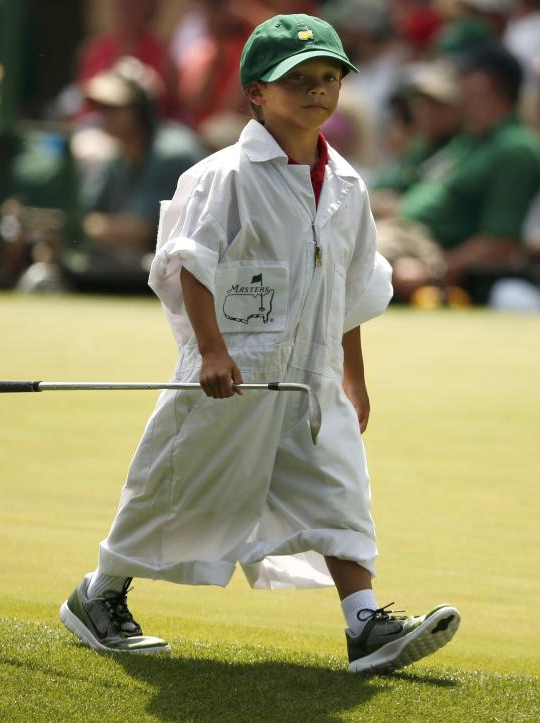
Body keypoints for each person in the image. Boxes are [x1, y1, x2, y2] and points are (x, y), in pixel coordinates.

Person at [58, 14, 461, 674]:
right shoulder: (226, 175)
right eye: (296, 80)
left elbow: (351, 290)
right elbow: (189, 262)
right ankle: (98, 594)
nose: (316, 91)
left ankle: (365, 625)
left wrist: (354, 377)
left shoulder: (350, 186)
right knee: (177, 485)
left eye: (328, 78)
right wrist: (213, 351)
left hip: (312, 377)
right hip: (234, 372)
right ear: (255, 92)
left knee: (339, 491)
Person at [376, 45, 540, 303]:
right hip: (399, 235)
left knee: (345, 251)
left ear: (484, 83)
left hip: (421, 248)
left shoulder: (515, 148)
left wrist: (433, 271)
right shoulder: (468, 140)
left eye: (463, 75)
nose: (456, 85)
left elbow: (500, 243)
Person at [65, 57, 207, 293]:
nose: (104, 115)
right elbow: (90, 211)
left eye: (113, 107)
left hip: (185, 277)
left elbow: (138, 232)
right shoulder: (118, 155)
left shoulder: (170, 153)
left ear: (141, 110)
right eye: (101, 107)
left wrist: (72, 226)